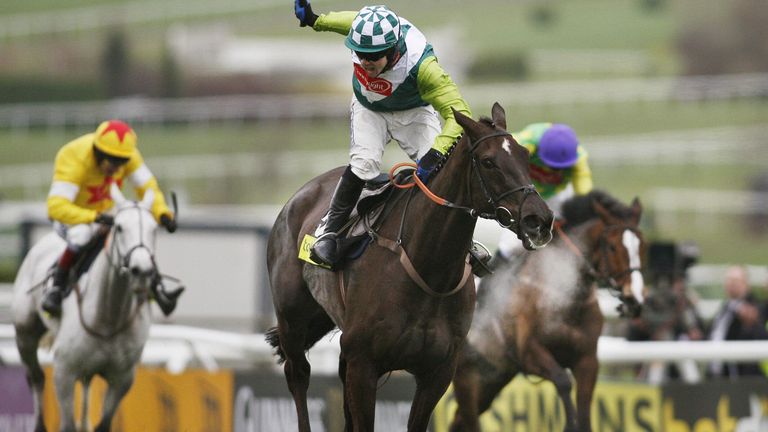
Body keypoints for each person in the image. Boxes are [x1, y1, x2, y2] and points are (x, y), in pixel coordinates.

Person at [293, 1, 473, 267]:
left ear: (393, 51)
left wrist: (435, 154)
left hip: (413, 113)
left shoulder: (424, 67)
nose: (365, 62)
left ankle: (465, 245)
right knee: (363, 164)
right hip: (370, 110)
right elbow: (345, 22)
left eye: (373, 57)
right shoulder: (364, 31)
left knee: (441, 170)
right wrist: (314, 19)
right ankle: (328, 233)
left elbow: (460, 115)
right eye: (359, 54)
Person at [41, 120, 180, 317]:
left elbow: (149, 189)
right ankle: (55, 287)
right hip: (73, 217)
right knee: (82, 235)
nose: (116, 169)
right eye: (112, 162)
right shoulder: (74, 156)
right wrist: (94, 217)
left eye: (121, 163)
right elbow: (56, 207)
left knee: (136, 231)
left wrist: (163, 214)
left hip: (107, 214)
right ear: (98, 152)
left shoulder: (128, 155)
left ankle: (157, 289)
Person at [495, 122, 593, 263]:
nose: (555, 170)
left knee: (574, 236)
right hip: (525, 194)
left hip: (557, 194)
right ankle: (493, 272)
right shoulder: (525, 142)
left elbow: (585, 196)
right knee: (510, 246)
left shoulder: (578, 158)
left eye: (562, 167)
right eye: (552, 165)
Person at [706, 265, 768, 379]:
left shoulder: (754, 308)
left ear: (746, 284)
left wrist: (751, 323)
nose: (731, 284)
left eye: (735, 280)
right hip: (716, 375)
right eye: (729, 280)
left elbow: (759, 336)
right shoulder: (725, 307)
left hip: (741, 378)